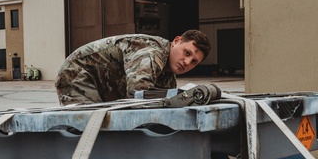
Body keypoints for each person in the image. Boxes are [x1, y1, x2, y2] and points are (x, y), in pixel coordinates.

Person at [55, 30, 210, 105]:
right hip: (78, 74)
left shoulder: (167, 77)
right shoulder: (151, 52)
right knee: (89, 128)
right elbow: (138, 96)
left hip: (104, 85)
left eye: (194, 62)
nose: (187, 62)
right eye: (186, 52)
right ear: (176, 41)